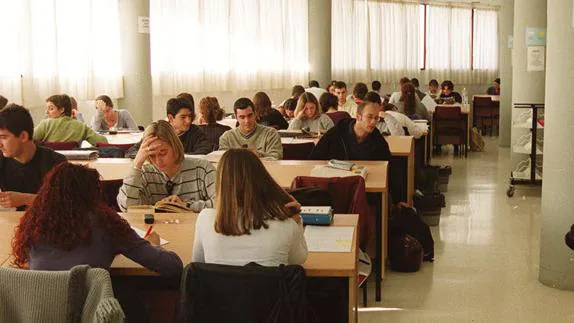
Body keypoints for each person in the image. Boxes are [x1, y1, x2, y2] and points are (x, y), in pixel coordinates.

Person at [12, 162, 183, 276]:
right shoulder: (106, 224)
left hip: (43, 314)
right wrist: (153, 245)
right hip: (92, 312)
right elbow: (172, 266)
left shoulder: (34, 224)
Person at [192, 148, 307, 266]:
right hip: (266, 284)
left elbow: (197, 263)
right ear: (263, 178)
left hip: (217, 285)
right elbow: (298, 260)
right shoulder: (285, 225)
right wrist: (297, 221)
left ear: (220, 182)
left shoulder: (205, 219)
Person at [117, 120, 216, 212]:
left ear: (175, 147)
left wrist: (185, 206)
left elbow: (225, 204)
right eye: (151, 155)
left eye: (163, 153)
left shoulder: (203, 169)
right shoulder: (143, 174)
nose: (158, 161)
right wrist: (137, 163)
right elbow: (126, 207)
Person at [0, 104, 66, 210]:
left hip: (49, 222)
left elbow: (65, 203)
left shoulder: (56, 162)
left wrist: (25, 199)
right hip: (13, 222)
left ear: (23, 137)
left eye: (3, 137)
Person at [126, 97, 211, 158]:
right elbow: (131, 152)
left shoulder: (196, 132)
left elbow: (204, 150)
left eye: (189, 116)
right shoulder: (159, 131)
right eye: (183, 117)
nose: (188, 121)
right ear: (171, 118)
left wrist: (173, 157)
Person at [219, 98, 283, 160]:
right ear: (236, 117)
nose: (247, 121)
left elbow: (276, 157)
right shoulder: (227, 138)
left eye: (250, 116)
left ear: (255, 114)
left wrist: (258, 154)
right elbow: (223, 161)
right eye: (242, 117)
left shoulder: (271, 134)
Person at [33, 94, 108, 145]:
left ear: (62, 109)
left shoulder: (45, 124)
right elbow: (103, 142)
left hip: (50, 166)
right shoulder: (81, 127)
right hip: (74, 166)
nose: (46, 112)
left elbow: (29, 138)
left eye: (51, 108)